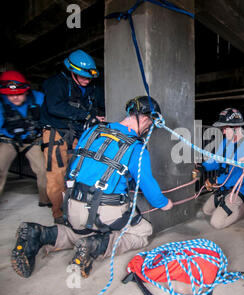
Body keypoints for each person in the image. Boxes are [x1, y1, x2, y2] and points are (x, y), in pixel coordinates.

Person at [11, 96, 173, 279]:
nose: (148, 129)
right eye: (150, 124)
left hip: (72, 205)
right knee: (143, 232)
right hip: (104, 211)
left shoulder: (93, 131)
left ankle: (39, 233)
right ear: (145, 118)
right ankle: (95, 246)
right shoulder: (137, 149)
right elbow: (151, 190)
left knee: (80, 231)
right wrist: (165, 204)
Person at [40, 49, 105, 224]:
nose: (86, 80)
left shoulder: (91, 89)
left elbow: (101, 104)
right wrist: (85, 116)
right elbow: (55, 107)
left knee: (78, 171)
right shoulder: (56, 84)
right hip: (56, 133)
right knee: (57, 174)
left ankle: (78, 206)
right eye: (81, 76)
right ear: (72, 71)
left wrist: (98, 117)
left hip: (77, 134)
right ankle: (59, 214)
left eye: (89, 77)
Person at [196, 108, 244, 229]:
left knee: (216, 223)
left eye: (225, 128)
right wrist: (203, 167)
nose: (223, 132)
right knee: (207, 211)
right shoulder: (225, 142)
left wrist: (217, 182)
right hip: (224, 186)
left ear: (236, 128)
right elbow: (217, 160)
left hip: (239, 188)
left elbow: (241, 176)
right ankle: (228, 203)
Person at [0, 70, 50, 207]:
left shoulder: (39, 98)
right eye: (10, 95)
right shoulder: (1, 103)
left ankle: (45, 199)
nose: (15, 98)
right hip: (8, 140)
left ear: (26, 91)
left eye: (19, 94)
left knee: (43, 170)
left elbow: (50, 116)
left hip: (32, 140)